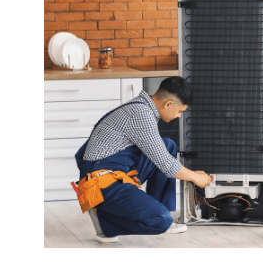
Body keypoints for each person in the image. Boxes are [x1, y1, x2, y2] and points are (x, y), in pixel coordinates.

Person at [74, 76, 213, 243]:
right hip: (101, 181)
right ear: (168, 104)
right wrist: (196, 177)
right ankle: (103, 219)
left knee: (167, 145)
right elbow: (167, 165)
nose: (178, 116)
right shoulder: (141, 115)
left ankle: (161, 208)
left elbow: (160, 153)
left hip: (118, 169)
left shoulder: (143, 107)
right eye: (180, 112)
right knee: (160, 220)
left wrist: (190, 173)